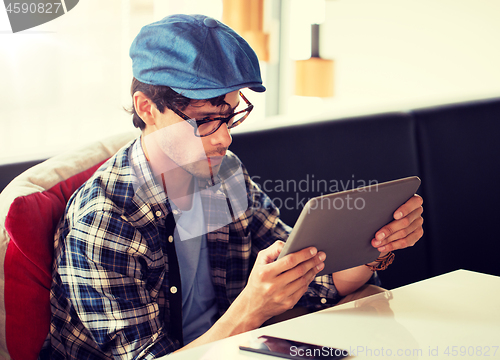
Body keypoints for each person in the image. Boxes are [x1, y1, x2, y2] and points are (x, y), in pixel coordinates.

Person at [40, 14, 424, 359]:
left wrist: (373, 247)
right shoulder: (105, 221)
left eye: (231, 116)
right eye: (206, 120)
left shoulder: (223, 175)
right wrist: (253, 308)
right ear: (146, 108)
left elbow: (314, 280)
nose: (224, 138)